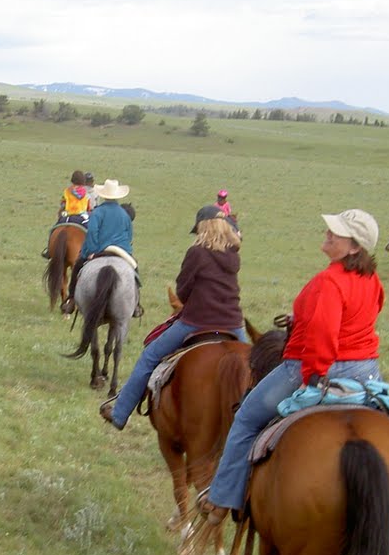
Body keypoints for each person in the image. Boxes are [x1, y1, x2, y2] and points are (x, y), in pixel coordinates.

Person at [200, 208, 384, 528]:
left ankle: (222, 497)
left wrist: (314, 376)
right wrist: (302, 318)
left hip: (314, 366)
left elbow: (324, 335)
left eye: (337, 232)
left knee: (245, 419)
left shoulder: (329, 281)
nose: (328, 232)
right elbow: (358, 317)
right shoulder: (371, 279)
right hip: (367, 372)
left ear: (354, 247)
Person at [101, 207, 246, 429]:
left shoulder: (196, 253)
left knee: (149, 357)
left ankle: (120, 413)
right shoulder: (233, 254)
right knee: (253, 369)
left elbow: (183, 291)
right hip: (233, 324)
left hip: (197, 321)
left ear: (202, 228)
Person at [64, 178, 135, 314]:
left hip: (99, 250)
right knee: (134, 269)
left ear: (103, 195)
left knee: (78, 266)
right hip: (121, 251)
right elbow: (129, 236)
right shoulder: (124, 214)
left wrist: (90, 252)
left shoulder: (97, 212)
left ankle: (71, 299)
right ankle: (136, 304)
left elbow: (92, 232)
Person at [43, 169, 93, 256]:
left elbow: (63, 204)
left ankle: (48, 250)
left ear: (72, 180)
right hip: (81, 216)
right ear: (83, 181)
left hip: (67, 216)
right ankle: (91, 251)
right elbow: (88, 207)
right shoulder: (85, 192)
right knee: (90, 232)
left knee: (54, 229)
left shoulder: (67, 191)